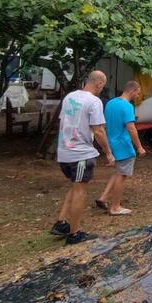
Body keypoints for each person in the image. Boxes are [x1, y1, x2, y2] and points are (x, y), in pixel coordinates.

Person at [50, 71, 114, 245]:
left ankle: (61, 223)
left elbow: (64, 121)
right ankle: (74, 234)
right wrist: (108, 152)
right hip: (80, 154)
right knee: (80, 192)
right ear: (99, 83)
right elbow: (98, 130)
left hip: (64, 152)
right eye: (103, 85)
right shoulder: (94, 101)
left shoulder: (70, 97)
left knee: (75, 187)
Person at [96, 80, 146, 215]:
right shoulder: (127, 106)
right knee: (122, 175)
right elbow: (131, 128)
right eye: (137, 93)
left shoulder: (111, 103)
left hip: (112, 142)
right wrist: (139, 147)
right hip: (123, 144)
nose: (137, 96)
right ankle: (115, 207)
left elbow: (107, 123)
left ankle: (103, 197)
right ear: (132, 90)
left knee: (118, 171)